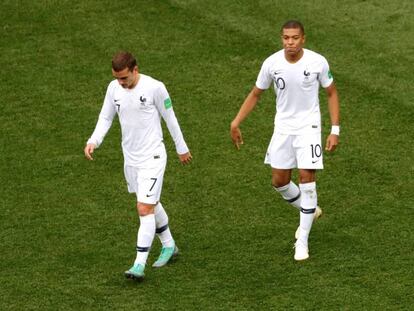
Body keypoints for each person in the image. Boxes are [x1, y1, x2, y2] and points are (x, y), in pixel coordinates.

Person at [230, 20, 340, 261]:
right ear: (282, 39)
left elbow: (331, 92)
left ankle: (302, 241)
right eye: (286, 38)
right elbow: (256, 94)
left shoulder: (317, 62)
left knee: (306, 179)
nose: (290, 42)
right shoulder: (271, 64)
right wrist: (236, 122)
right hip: (283, 129)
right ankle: (309, 211)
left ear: (303, 39)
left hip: (309, 128)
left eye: (295, 38)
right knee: (280, 181)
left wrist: (334, 130)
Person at [84, 51, 192, 280]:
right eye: (117, 78)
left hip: (153, 156)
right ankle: (169, 245)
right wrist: (94, 140)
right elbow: (105, 117)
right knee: (150, 202)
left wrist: (181, 148)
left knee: (144, 208)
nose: (120, 82)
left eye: (124, 78)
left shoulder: (155, 87)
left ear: (135, 70)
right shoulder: (114, 89)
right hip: (130, 159)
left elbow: (170, 118)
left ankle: (138, 264)